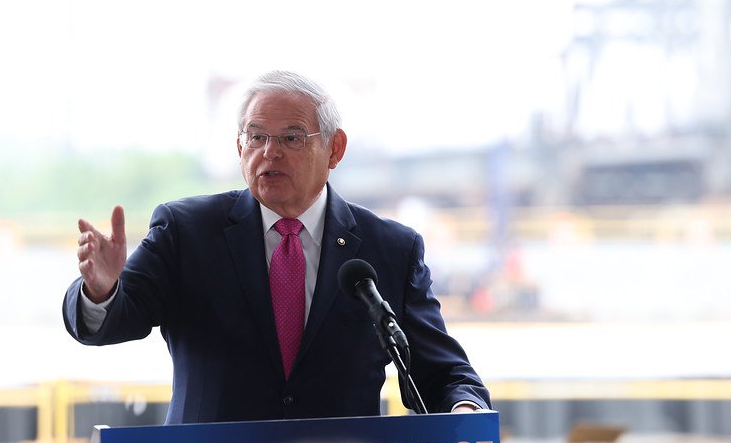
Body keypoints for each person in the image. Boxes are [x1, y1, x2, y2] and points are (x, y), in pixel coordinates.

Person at [63, 70, 490, 423]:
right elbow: (116, 319)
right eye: (256, 137)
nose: (270, 152)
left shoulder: (390, 249)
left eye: (291, 138)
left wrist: (465, 407)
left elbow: (442, 372)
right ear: (239, 148)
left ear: (334, 148)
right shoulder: (186, 231)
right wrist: (101, 291)